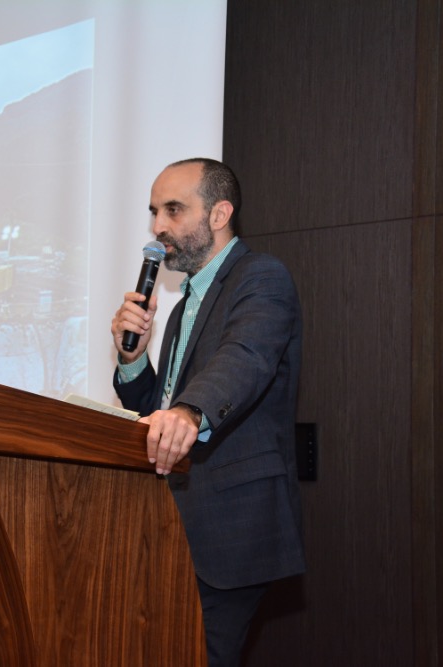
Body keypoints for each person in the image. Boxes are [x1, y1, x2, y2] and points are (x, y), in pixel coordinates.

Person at [110, 158, 306, 666]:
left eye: (173, 210)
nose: (158, 227)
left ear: (219, 214)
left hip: (230, 527)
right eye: (154, 212)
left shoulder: (260, 277)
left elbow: (246, 357)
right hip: (172, 524)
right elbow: (158, 412)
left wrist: (190, 414)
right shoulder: (182, 308)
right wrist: (133, 360)